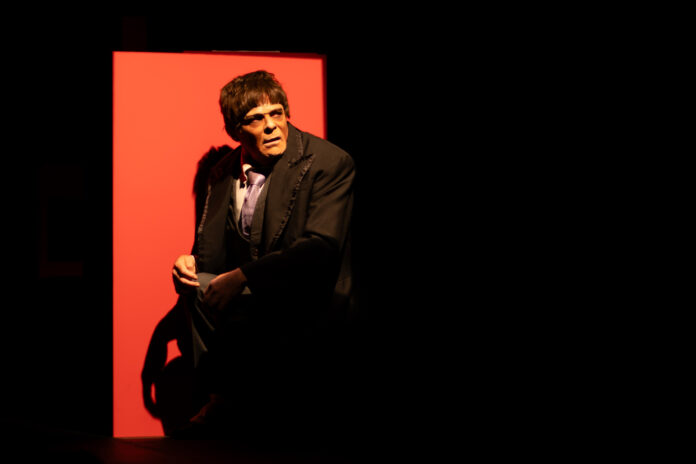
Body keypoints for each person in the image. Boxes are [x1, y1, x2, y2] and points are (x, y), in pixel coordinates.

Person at [170, 70, 356, 438]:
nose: (271, 126)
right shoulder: (223, 173)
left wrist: (244, 276)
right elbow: (211, 249)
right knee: (199, 286)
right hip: (256, 289)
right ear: (235, 130)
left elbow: (321, 247)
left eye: (277, 113)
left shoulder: (328, 162)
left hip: (309, 291)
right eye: (256, 118)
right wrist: (187, 263)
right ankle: (222, 401)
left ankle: (268, 413)